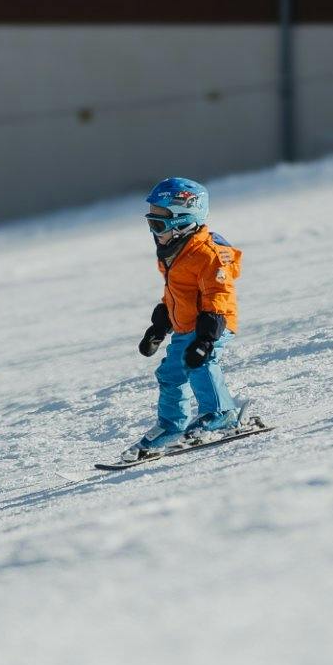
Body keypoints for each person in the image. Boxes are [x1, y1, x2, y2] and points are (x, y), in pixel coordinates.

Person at [124, 177, 247, 459]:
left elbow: (219, 293)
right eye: (150, 224)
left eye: (159, 224)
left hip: (213, 323)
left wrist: (205, 338)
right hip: (185, 326)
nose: (154, 233)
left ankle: (221, 414)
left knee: (201, 363)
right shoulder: (173, 251)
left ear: (184, 221)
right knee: (169, 374)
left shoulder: (206, 255)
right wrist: (159, 326)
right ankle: (171, 426)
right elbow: (175, 294)